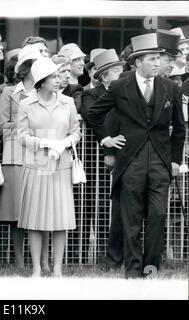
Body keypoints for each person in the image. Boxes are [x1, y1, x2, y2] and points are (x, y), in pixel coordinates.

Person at [87, 33, 186, 278]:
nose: (157, 63)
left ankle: (150, 268)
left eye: (158, 58)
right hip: (130, 161)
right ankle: (132, 271)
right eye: (152, 58)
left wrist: (175, 161)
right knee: (130, 219)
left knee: (158, 215)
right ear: (138, 61)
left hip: (161, 162)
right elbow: (95, 114)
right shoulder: (121, 86)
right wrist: (105, 139)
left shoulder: (171, 87)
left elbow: (180, 128)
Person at [17, 57, 81, 277]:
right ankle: (36, 268)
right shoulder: (26, 103)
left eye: (58, 75)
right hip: (36, 164)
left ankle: (57, 270)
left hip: (61, 165)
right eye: (53, 76)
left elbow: (76, 131)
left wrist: (64, 143)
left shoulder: (68, 102)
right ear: (41, 81)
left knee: (61, 219)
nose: (58, 79)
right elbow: (21, 136)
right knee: (35, 219)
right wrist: (44, 143)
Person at [0, 45, 41, 269]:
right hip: (15, 156)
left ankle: (38, 261)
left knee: (38, 210)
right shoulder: (9, 93)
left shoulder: (46, 92)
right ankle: (20, 262)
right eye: (34, 64)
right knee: (17, 214)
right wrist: (28, 125)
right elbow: (3, 126)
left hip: (39, 156)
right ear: (24, 68)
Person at [81, 49, 126, 268]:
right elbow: (94, 116)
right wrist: (108, 149)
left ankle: (115, 253)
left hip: (125, 154)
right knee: (97, 205)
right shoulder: (91, 94)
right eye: (116, 70)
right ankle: (98, 253)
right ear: (104, 75)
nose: (121, 73)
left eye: (121, 69)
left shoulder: (127, 90)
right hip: (95, 157)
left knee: (118, 205)